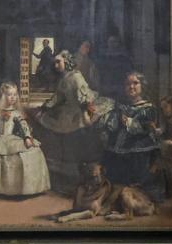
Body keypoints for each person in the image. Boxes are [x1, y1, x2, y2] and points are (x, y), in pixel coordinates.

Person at [33, 51, 113, 191]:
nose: (56, 65)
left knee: (80, 138)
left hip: (79, 111)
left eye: (59, 62)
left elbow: (85, 97)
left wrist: (87, 111)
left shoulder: (76, 76)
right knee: (52, 125)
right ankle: (67, 172)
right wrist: (46, 107)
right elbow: (58, 97)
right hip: (68, 111)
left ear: (67, 61)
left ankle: (81, 174)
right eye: (55, 63)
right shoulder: (63, 78)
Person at [0, 82, 50, 196]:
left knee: (31, 152)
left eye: (15, 94)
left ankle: (17, 189)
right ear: (3, 96)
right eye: (9, 95)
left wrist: (27, 137)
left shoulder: (17, 113)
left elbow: (24, 126)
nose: (13, 97)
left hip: (13, 139)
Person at [100, 71, 162, 200]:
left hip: (139, 150)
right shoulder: (121, 106)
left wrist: (128, 121)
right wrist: (109, 122)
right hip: (118, 149)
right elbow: (112, 126)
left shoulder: (148, 108)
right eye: (128, 84)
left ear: (142, 86)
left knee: (135, 181)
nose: (131, 86)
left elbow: (146, 128)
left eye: (135, 83)